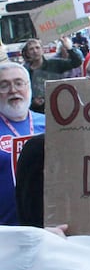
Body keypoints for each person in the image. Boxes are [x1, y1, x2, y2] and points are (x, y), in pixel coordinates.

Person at [0, 63, 45, 225]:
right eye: (4, 86)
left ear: (29, 87)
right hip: (7, 231)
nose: (13, 90)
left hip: (50, 229)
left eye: (19, 83)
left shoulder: (51, 123)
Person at [22, 37, 82, 113]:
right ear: (27, 53)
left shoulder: (54, 64)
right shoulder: (24, 71)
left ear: (42, 50)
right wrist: (33, 102)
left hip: (57, 108)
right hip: (36, 112)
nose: (35, 51)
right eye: (31, 49)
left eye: (37, 48)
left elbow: (76, 62)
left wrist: (69, 48)